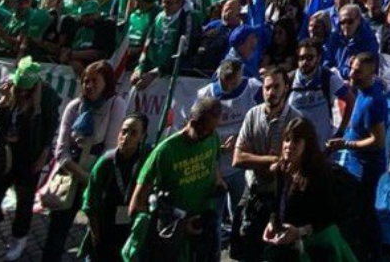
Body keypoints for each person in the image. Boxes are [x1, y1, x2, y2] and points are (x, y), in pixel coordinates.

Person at [43, 61, 128, 262]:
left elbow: (110, 150)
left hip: (99, 178)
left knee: (99, 234)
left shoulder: (115, 105)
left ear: (106, 83)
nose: (89, 86)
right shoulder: (74, 107)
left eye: (94, 81)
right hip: (71, 176)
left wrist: (92, 181)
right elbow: (61, 149)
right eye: (85, 81)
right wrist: (78, 173)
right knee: (57, 231)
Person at [128, 97, 226, 262]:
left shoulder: (212, 136)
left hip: (202, 232)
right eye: (205, 131)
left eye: (212, 130)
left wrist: (219, 184)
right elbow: (137, 205)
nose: (209, 135)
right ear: (193, 123)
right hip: (172, 238)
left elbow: (214, 167)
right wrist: (177, 226)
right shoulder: (165, 152)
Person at [0, 59, 62, 262]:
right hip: (7, 153)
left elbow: (50, 129)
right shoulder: (11, 91)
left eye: (27, 89)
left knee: (25, 200)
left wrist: (43, 156)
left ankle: (19, 238)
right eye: (20, 88)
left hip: (29, 154)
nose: (22, 93)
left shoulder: (47, 97)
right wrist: (3, 101)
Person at [261, 118, 356, 262]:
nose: (289, 146)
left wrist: (300, 232)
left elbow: (329, 216)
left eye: (296, 141)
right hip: (288, 245)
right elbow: (278, 202)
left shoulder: (319, 174)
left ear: (307, 144)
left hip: (317, 248)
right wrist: (273, 223)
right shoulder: (282, 169)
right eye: (286, 140)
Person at [231, 67, 300, 262]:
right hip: (253, 192)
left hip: (282, 197)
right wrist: (270, 160)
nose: (272, 92)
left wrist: (253, 159)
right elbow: (238, 159)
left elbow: (293, 164)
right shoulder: (253, 114)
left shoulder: (295, 120)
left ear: (286, 87)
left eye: (277, 87)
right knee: (243, 252)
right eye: (267, 87)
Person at [195, 58, 259, 246]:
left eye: (233, 80)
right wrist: (216, 147)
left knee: (241, 213)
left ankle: (240, 249)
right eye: (225, 81)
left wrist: (241, 138)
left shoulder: (253, 88)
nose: (229, 85)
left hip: (240, 165)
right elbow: (196, 128)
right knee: (213, 218)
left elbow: (262, 118)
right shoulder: (205, 94)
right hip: (215, 167)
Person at [331, 51, 386, 262]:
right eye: (352, 69)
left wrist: (347, 144)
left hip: (367, 167)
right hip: (356, 164)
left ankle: (372, 255)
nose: (352, 75)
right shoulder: (362, 92)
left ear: (372, 74)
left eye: (358, 72)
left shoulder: (373, 101)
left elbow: (378, 141)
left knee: (365, 214)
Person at [81, 114, 148, 262]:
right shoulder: (106, 162)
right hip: (103, 229)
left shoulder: (145, 163)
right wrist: (95, 235)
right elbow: (90, 202)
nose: (126, 137)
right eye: (123, 131)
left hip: (129, 232)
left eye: (133, 133)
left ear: (143, 137)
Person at [288, 38, 350, 145]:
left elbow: (350, 100)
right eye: (301, 58)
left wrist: (341, 130)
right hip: (295, 146)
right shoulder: (289, 80)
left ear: (318, 58)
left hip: (321, 146)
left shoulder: (328, 78)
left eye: (310, 58)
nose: (305, 62)